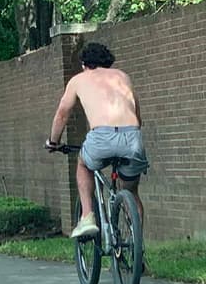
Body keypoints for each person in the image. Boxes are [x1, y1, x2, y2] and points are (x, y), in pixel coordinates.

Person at [46, 42, 149, 238]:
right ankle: (137, 247)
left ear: (84, 63)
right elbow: (138, 114)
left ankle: (87, 217)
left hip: (101, 136)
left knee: (83, 165)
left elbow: (62, 115)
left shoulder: (78, 80)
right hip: (132, 136)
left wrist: (53, 141)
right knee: (132, 192)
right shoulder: (122, 77)